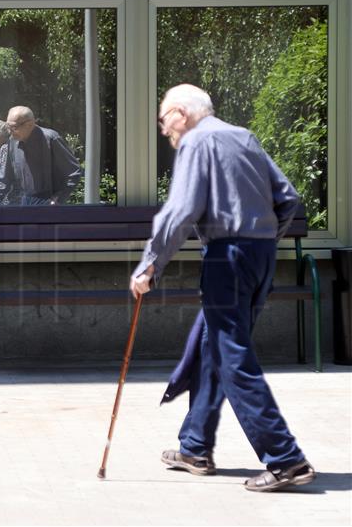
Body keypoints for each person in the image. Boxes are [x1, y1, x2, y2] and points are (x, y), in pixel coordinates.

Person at [130, 84, 315, 492]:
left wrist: (149, 266)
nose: (164, 132)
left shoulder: (196, 142)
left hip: (227, 258)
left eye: (163, 121)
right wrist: (261, 237)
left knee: (232, 356)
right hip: (260, 256)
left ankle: (286, 459)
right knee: (214, 347)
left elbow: (180, 210)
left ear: (180, 113)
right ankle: (195, 446)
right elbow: (288, 197)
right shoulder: (243, 136)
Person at [0, 106, 82, 206]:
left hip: (50, 204)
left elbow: (74, 172)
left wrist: (58, 199)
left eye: (14, 127)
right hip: (25, 201)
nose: (10, 131)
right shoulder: (12, 142)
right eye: (8, 127)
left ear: (29, 124)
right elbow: (4, 178)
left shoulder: (51, 139)